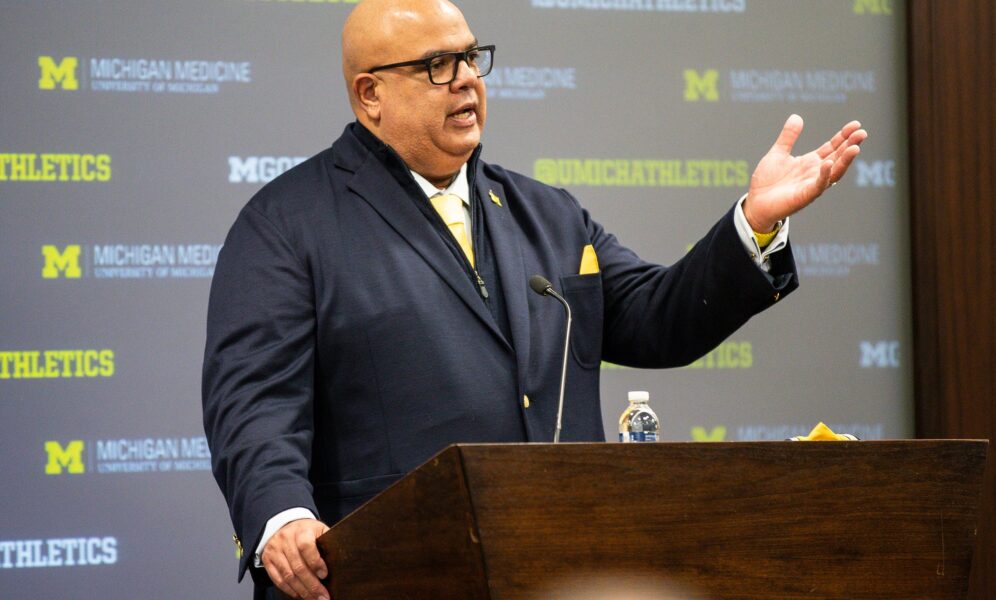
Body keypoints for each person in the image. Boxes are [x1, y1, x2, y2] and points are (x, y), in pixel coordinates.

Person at [201, 0, 867, 598]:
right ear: (369, 94)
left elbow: (660, 320)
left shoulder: (546, 213)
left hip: (559, 568)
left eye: (470, 57)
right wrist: (282, 517)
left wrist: (754, 221)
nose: (466, 78)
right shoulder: (287, 224)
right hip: (386, 574)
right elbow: (254, 402)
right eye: (436, 64)